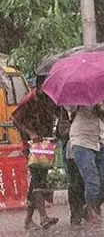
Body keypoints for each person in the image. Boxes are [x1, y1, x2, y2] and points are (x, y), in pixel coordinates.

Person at [12, 75, 59, 230]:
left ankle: (28, 220)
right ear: (39, 85)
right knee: (38, 178)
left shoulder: (51, 100)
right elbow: (15, 120)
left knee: (39, 181)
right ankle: (43, 217)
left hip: (45, 143)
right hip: (31, 145)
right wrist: (30, 133)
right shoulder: (29, 99)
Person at [69, 98, 104, 226]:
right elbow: (69, 109)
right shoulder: (74, 94)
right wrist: (80, 102)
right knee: (92, 180)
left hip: (102, 139)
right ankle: (92, 210)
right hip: (82, 140)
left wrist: (101, 110)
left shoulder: (103, 94)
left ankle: (91, 206)